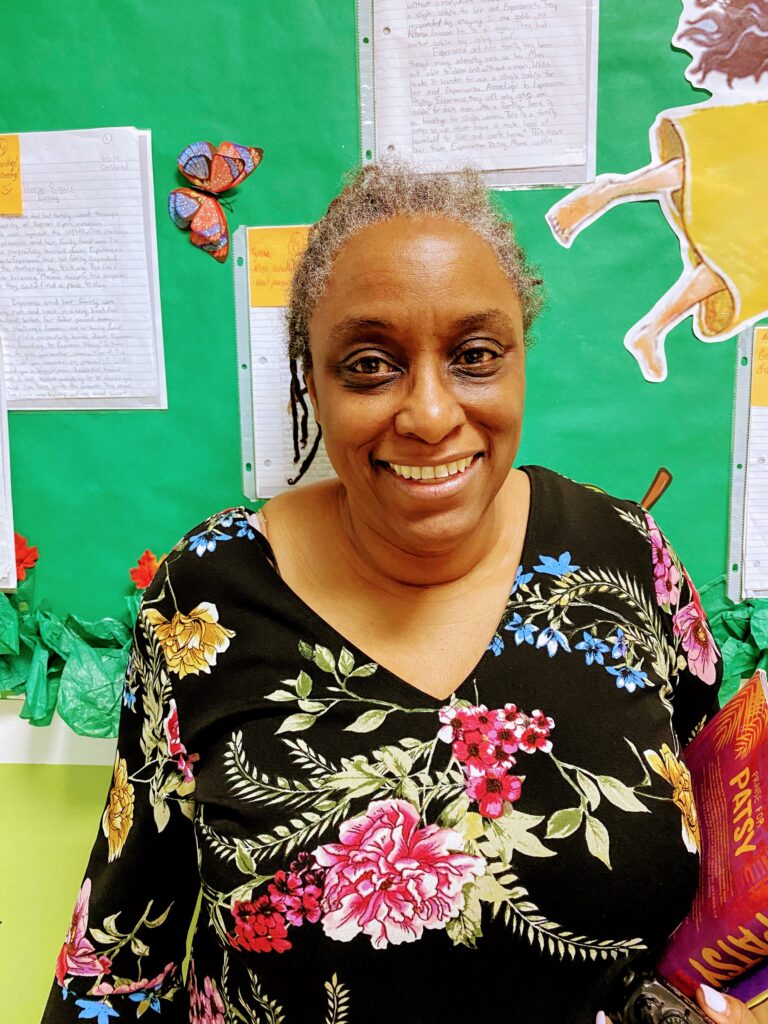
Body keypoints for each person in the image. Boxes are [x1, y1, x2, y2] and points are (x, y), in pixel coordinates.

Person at [41, 161, 761, 1024]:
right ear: (311, 382)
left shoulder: (626, 556)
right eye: (370, 365)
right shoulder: (208, 599)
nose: (429, 415)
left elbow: (734, 838)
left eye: (475, 356)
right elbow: (120, 954)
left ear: (519, 361)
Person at [546, 0, 768, 383]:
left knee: (745, 253)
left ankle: (651, 328)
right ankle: (611, 190)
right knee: (711, 165)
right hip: (752, 116)